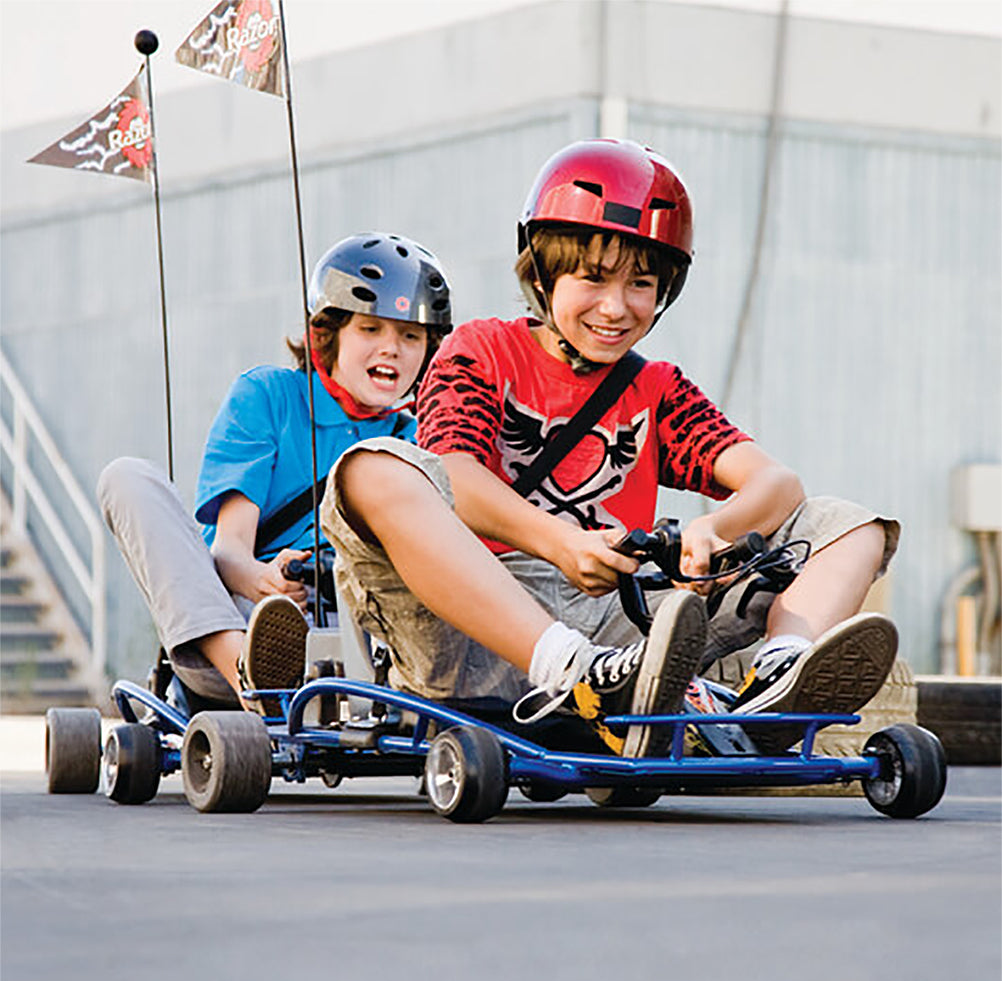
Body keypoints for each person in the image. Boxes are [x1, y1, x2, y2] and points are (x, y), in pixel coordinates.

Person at [318, 138, 900, 758]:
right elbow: (455, 476)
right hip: (476, 621)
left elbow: (778, 484)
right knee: (370, 468)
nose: (616, 307)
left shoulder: (657, 388)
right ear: (542, 272)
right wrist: (561, 543)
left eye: (641, 283)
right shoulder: (479, 350)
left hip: (626, 631)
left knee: (852, 526)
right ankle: (570, 672)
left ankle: (779, 679)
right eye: (593, 278)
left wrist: (714, 530)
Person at [98, 232, 452, 715]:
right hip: (249, 617)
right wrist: (269, 582)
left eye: (410, 336)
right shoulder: (267, 396)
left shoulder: (419, 439)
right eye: (371, 329)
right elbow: (228, 551)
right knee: (127, 477)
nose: (392, 349)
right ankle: (252, 677)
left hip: (371, 640)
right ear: (327, 334)